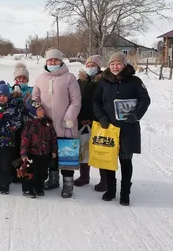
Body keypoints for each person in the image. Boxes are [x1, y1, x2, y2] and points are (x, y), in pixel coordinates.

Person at [93, 52, 150, 206]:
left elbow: (145, 100)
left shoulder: (135, 81)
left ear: (124, 65)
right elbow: (95, 101)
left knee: (125, 160)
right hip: (109, 127)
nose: (115, 66)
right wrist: (102, 118)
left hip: (128, 128)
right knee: (109, 159)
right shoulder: (103, 82)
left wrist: (136, 115)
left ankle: (125, 192)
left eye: (118, 63)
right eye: (112, 64)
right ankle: (111, 190)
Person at [32, 49, 81, 198]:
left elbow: (76, 100)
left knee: (67, 155)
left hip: (66, 125)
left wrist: (69, 118)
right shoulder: (40, 79)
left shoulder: (69, 78)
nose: (52, 63)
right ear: (46, 62)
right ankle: (53, 180)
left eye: (55, 60)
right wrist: (38, 110)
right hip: (47, 126)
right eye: (50, 60)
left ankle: (68, 184)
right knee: (50, 155)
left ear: (61, 61)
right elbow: (35, 98)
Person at [73, 55, 107, 191]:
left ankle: (104, 180)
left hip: (99, 121)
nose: (90, 67)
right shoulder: (78, 82)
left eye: (93, 65)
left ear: (98, 67)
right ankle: (84, 176)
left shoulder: (104, 81)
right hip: (81, 120)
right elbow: (76, 101)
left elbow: (103, 103)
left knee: (100, 150)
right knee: (83, 149)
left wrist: (95, 118)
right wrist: (80, 117)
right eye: (88, 65)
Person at [20, 100, 58, 198]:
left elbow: (53, 137)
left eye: (42, 109)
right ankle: (27, 188)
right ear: (33, 112)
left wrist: (54, 150)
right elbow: (25, 140)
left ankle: (38, 187)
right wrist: (24, 154)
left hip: (44, 153)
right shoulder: (29, 125)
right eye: (39, 110)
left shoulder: (48, 124)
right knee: (30, 172)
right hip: (32, 154)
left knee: (42, 172)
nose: (42, 111)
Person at [9, 61, 32, 183]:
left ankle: (25, 171)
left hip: (28, 125)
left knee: (25, 149)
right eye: (19, 78)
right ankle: (14, 172)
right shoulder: (10, 89)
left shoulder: (32, 90)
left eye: (24, 78)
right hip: (14, 125)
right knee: (14, 148)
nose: (21, 80)